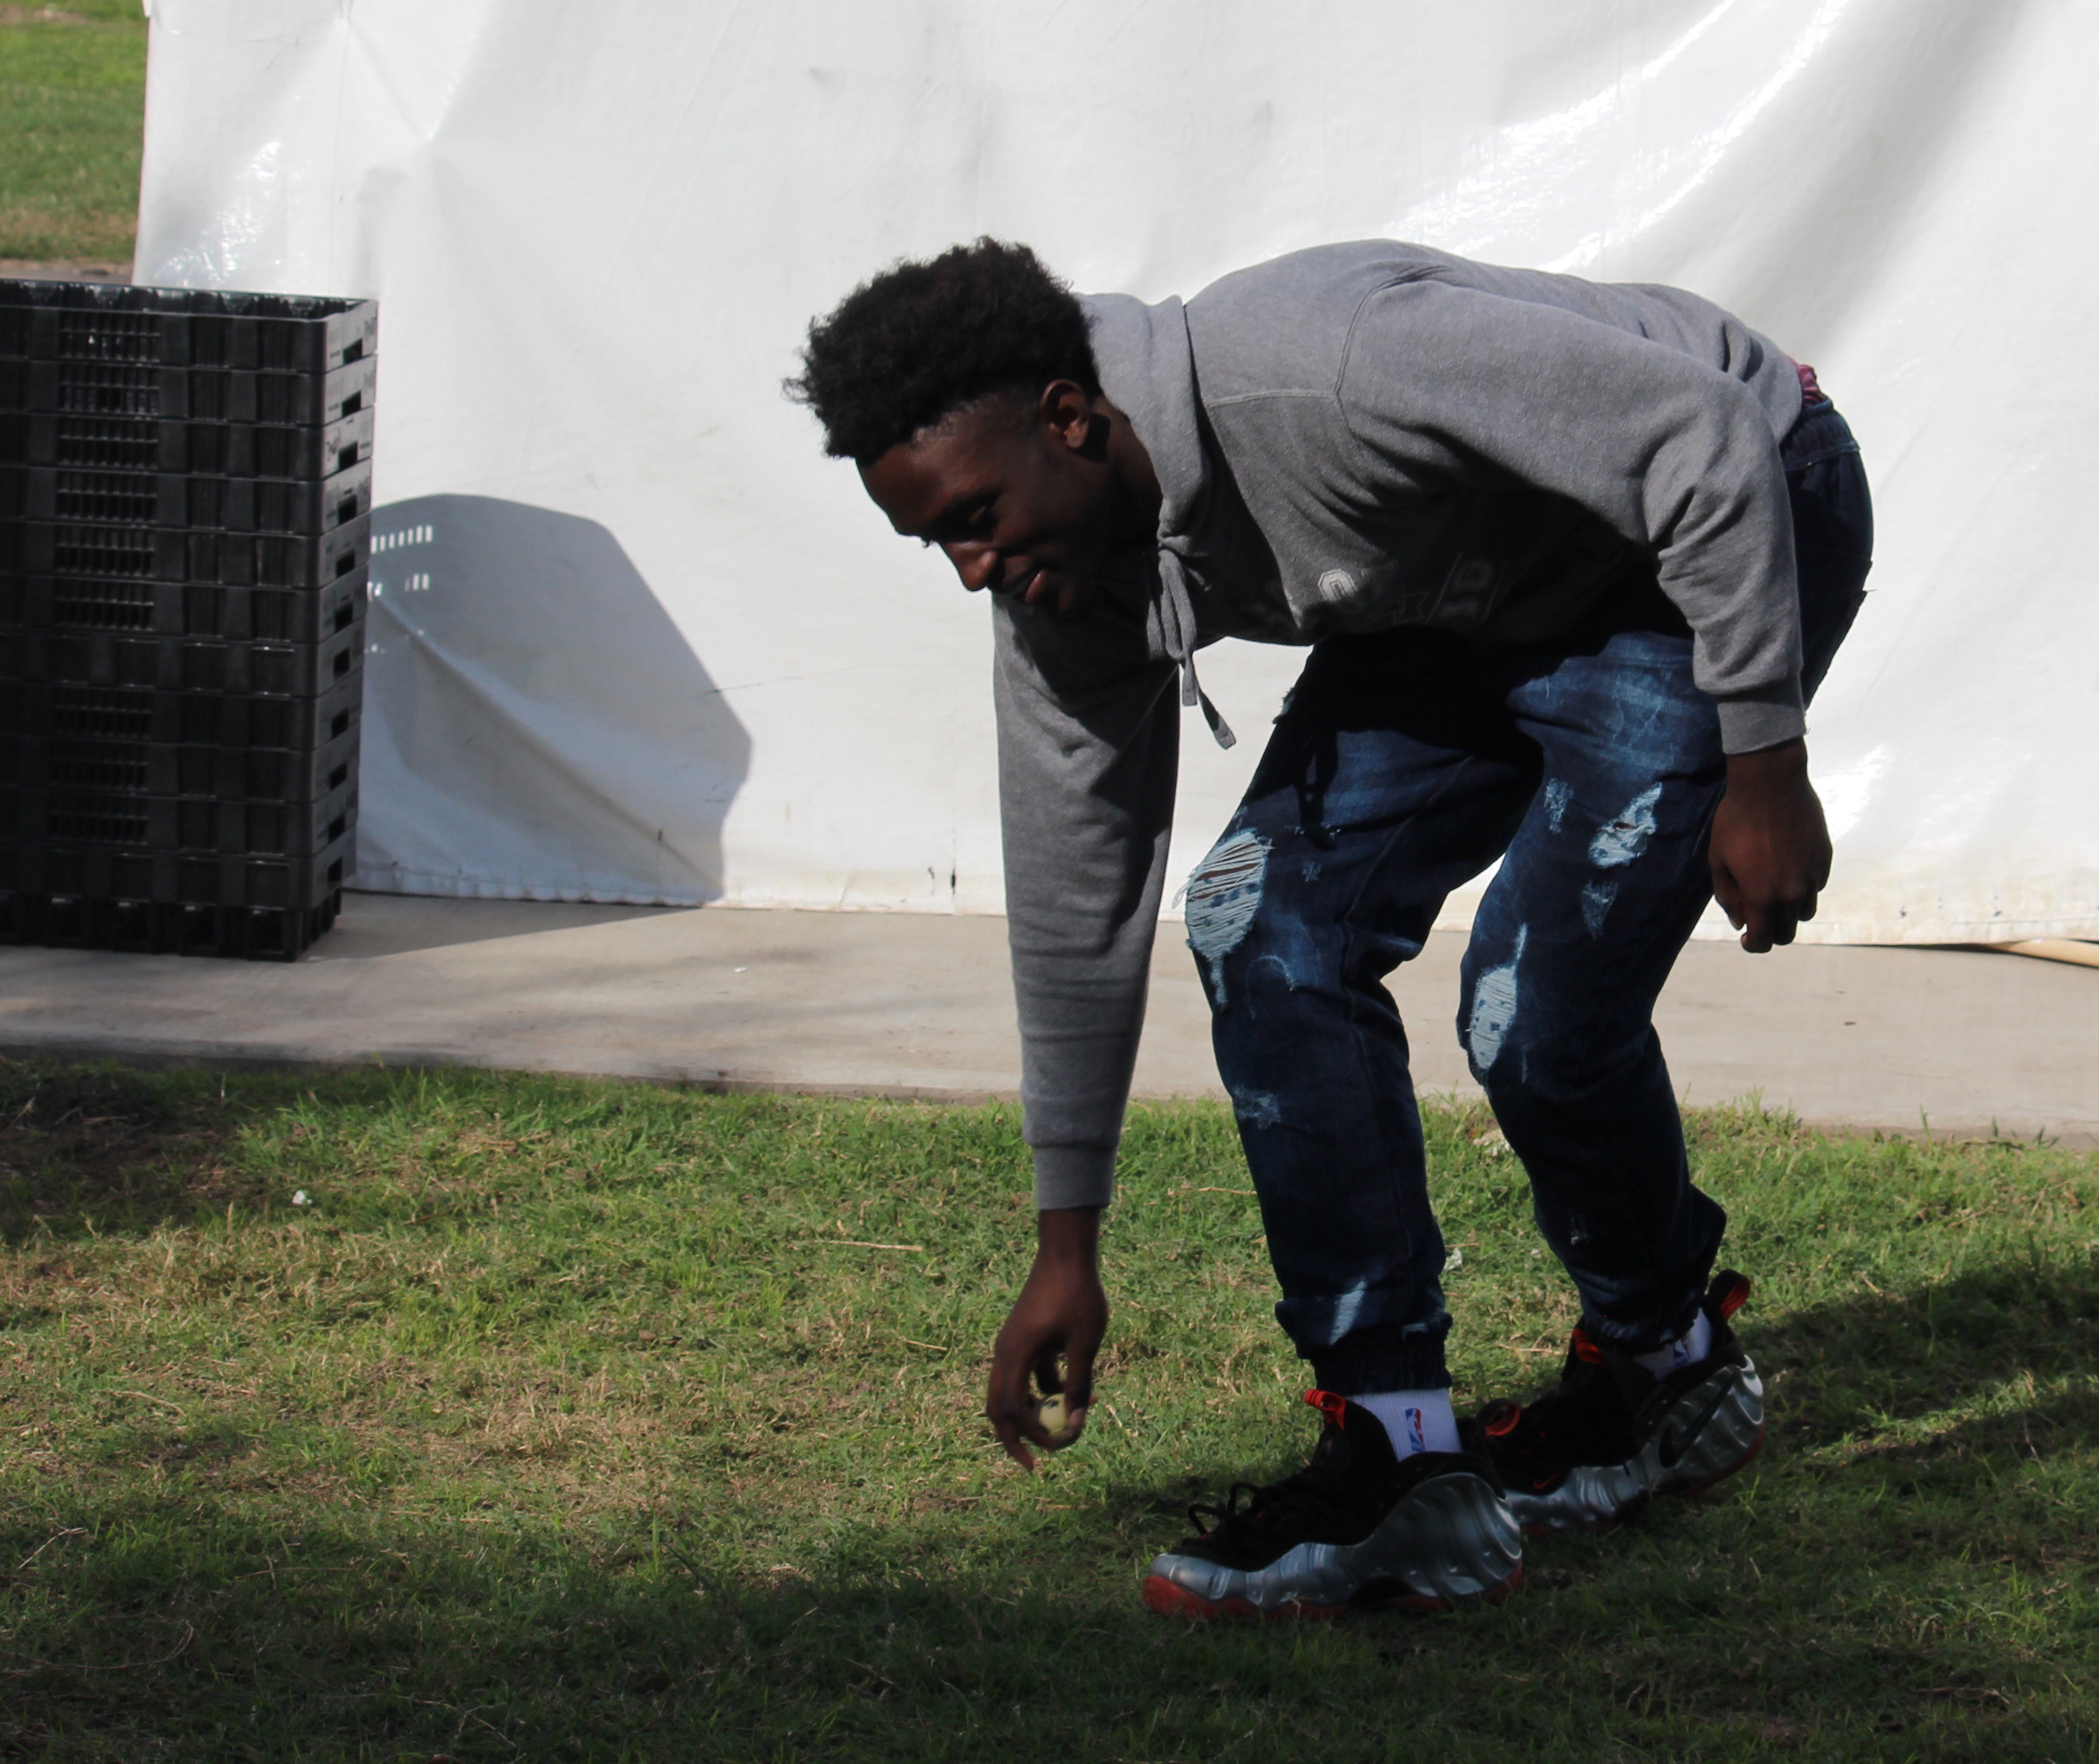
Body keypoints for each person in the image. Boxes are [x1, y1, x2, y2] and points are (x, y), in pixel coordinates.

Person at [790, 237, 1873, 1621]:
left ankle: (1668, 1371)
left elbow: (1701, 437)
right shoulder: (1063, 577)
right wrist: (1068, 1241)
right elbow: (1076, 896)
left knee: (1532, 1011)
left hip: (1713, 516)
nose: (968, 568)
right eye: (935, 540)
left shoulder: (1328, 371)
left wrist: (1764, 764)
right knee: (1259, 919)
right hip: (1468, 581)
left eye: (975, 517)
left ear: (1069, 418)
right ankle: (1399, 1461)